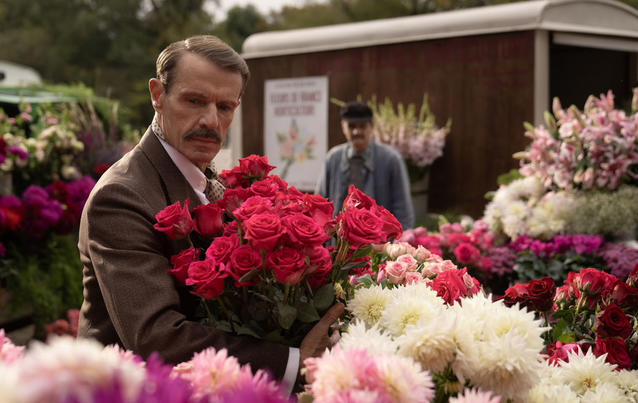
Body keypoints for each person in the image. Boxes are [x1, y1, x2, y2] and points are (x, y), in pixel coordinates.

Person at [77, 35, 343, 393]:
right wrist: (293, 359)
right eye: (194, 101)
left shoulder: (206, 177)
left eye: (225, 107)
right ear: (157, 95)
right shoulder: (122, 195)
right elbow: (157, 338)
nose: (210, 120)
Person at [315, 101, 414, 229]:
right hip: (338, 243)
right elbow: (320, 203)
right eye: (351, 126)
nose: (357, 131)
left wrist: (397, 244)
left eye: (362, 126)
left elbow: (403, 210)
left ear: (372, 127)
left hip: (379, 243)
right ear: (343, 128)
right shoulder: (333, 159)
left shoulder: (391, 160)